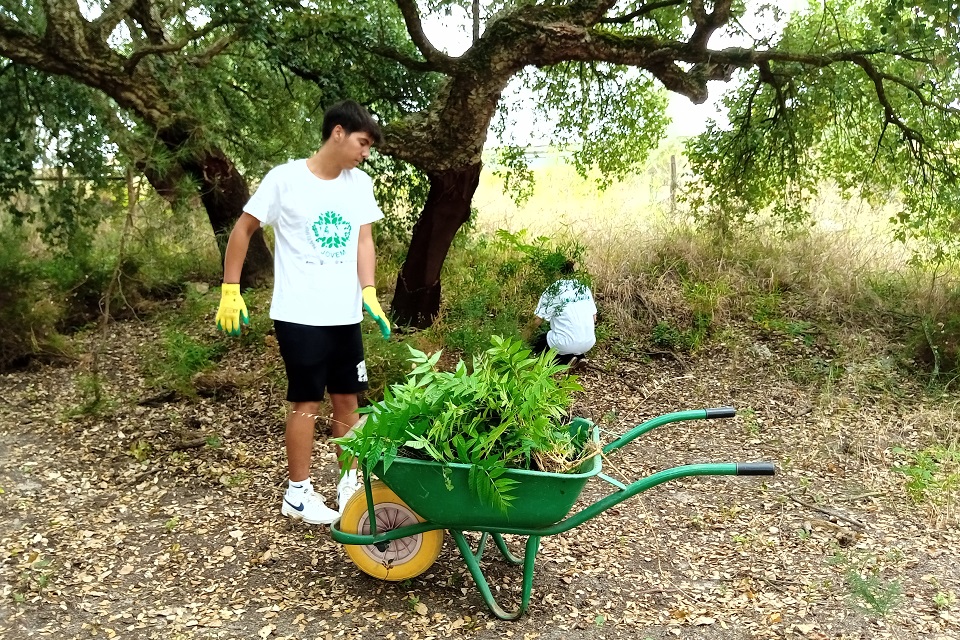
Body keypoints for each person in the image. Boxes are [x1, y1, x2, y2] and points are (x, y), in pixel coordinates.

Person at [215, 100, 392, 526]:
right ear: (337, 132)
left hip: (344, 314)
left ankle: (348, 483)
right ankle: (297, 493)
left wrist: (368, 290)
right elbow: (243, 228)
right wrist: (230, 287)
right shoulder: (286, 180)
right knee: (306, 402)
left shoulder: (359, 185)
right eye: (362, 142)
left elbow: (364, 239)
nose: (365, 153)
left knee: (350, 400)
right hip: (300, 315)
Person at [527, 260, 597, 366]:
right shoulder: (583, 288)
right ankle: (580, 357)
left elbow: (537, 320)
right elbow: (594, 318)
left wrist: (522, 338)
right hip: (588, 342)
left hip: (564, 343)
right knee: (565, 339)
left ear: (556, 272)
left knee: (541, 343)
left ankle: (565, 360)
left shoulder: (554, 290)